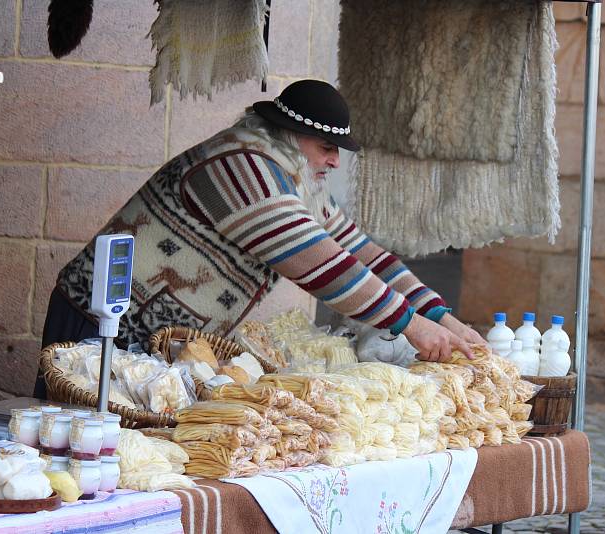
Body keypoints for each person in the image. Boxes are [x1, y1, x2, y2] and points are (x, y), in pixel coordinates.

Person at [36, 79, 486, 397]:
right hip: (103, 322)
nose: (333, 162)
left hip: (156, 336)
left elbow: (361, 252)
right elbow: (323, 266)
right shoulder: (243, 166)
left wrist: (443, 317)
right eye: (326, 148)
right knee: (79, 447)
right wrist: (410, 325)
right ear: (293, 136)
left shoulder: (292, 176)